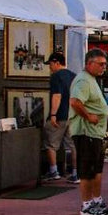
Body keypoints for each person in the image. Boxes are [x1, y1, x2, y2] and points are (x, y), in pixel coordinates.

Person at [68, 49, 108, 215]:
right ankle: (86, 204)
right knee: (87, 169)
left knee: (96, 168)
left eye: (105, 64)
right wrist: (89, 116)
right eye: (100, 64)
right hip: (86, 132)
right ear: (89, 63)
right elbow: (75, 102)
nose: (104, 67)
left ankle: (95, 198)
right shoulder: (83, 80)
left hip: (95, 133)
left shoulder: (91, 79)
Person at [41, 52, 78, 183]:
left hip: (60, 115)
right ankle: (75, 173)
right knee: (73, 145)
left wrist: (53, 115)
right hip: (72, 115)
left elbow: (57, 96)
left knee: (51, 144)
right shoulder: (74, 76)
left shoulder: (56, 76)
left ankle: (53, 171)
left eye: (50, 64)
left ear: (56, 62)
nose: (49, 67)